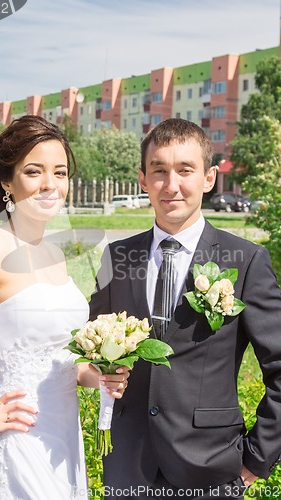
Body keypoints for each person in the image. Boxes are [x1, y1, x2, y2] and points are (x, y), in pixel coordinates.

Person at [89, 118, 281, 499]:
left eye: (185, 170)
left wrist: (256, 461)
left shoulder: (246, 260)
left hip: (211, 468)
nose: (171, 185)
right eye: (159, 171)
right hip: (128, 466)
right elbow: (91, 347)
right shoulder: (116, 257)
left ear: (208, 178)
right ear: (143, 179)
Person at [0, 115, 129, 499]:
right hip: (15, 438)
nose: (50, 184)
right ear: (6, 182)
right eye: (34, 171)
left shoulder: (57, 254)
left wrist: (97, 376)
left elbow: (63, 359)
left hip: (62, 441)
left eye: (60, 172)